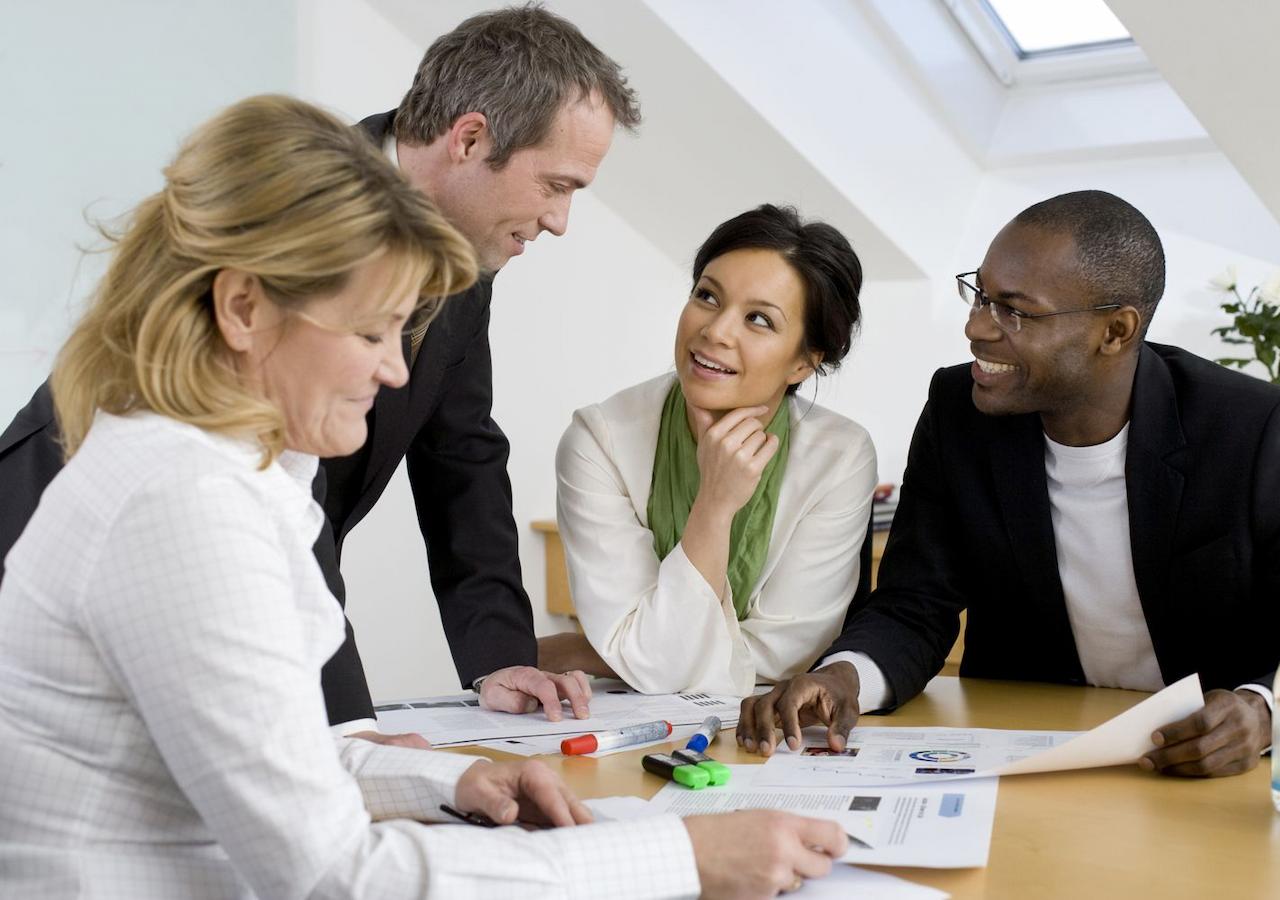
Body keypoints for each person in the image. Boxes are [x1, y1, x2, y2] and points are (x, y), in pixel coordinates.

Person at [0, 94, 846, 900]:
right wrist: (681, 855)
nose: (397, 371)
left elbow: (278, 751)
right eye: (371, 333)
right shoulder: (183, 507)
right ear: (244, 309)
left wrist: (447, 775)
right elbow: (340, 877)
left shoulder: (232, 471)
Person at [0, 5, 640, 738]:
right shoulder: (306, 198)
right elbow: (282, 480)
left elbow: (462, 449)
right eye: (557, 186)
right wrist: (350, 735)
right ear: (470, 139)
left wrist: (498, 655)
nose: (560, 219)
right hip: (62, 527)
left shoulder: (468, 240)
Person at [739, 190, 1280, 777]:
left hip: (1208, 771)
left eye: (1015, 310)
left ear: (1115, 331)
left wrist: (1263, 711)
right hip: (1029, 757)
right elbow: (913, 602)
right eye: (979, 295)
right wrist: (843, 677)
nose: (977, 327)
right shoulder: (959, 412)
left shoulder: (1255, 431)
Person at [541, 205, 876, 696]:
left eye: (758, 319)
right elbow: (659, 662)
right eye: (707, 296)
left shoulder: (841, 457)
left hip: (766, 732)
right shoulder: (600, 439)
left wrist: (592, 653)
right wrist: (715, 506)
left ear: (804, 362)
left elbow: (788, 656)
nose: (716, 331)